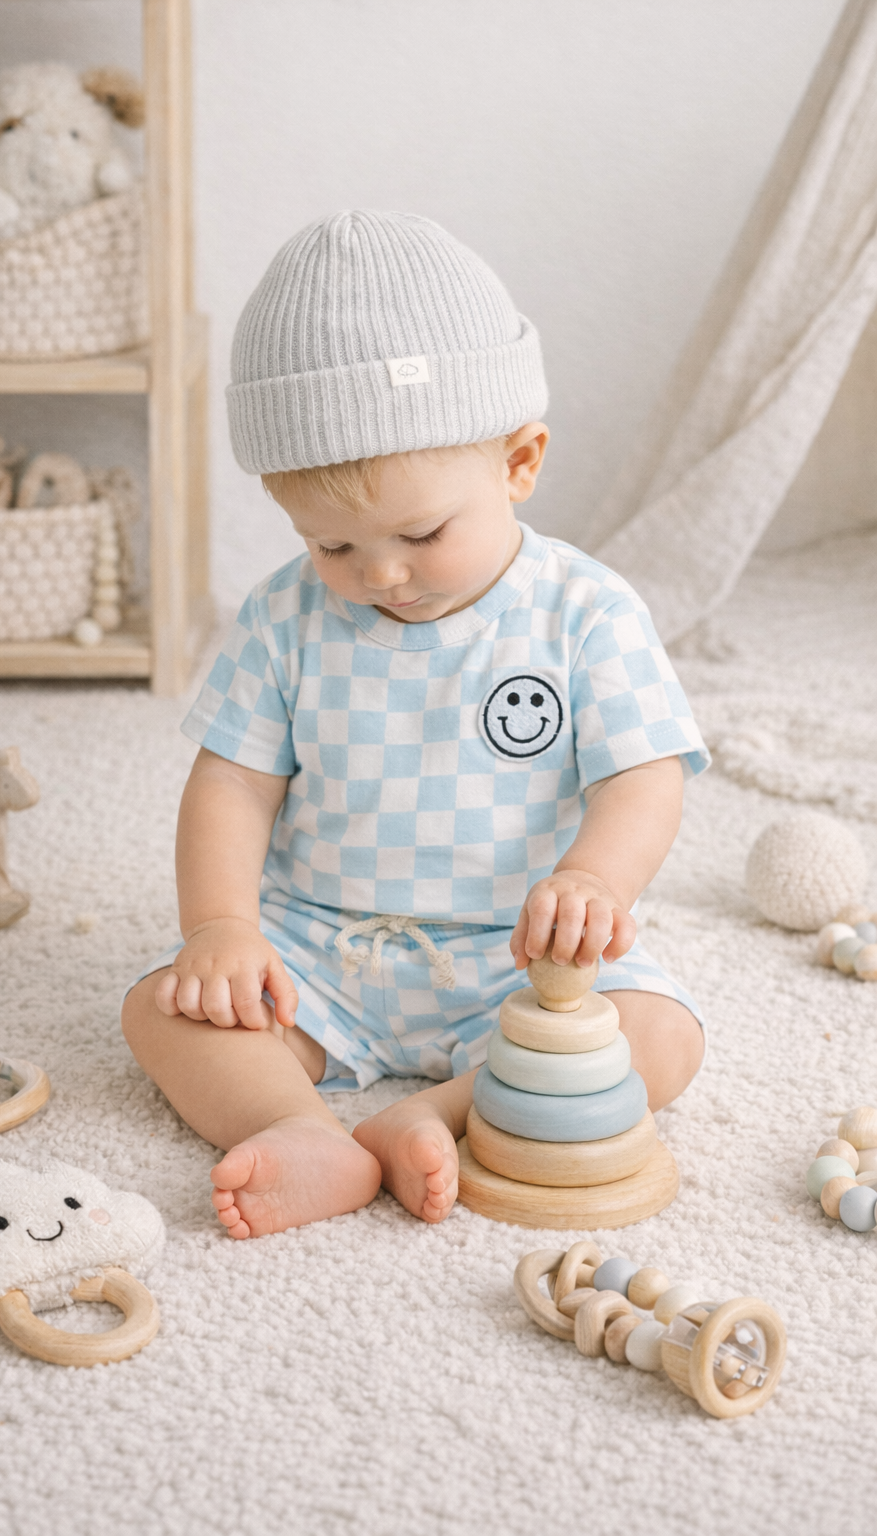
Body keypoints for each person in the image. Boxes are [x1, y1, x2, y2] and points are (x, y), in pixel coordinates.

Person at [122, 210, 708, 1240]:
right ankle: (300, 1127)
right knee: (162, 1011)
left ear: (518, 463)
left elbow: (642, 777)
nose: (379, 575)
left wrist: (592, 883)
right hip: (318, 945)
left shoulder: (585, 611)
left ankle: (426, 1118)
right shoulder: (284, 619)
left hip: (520, 957)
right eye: (332, 543)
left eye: (421, 533)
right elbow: (232, 783)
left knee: (658, 1039)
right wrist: (222, 930)